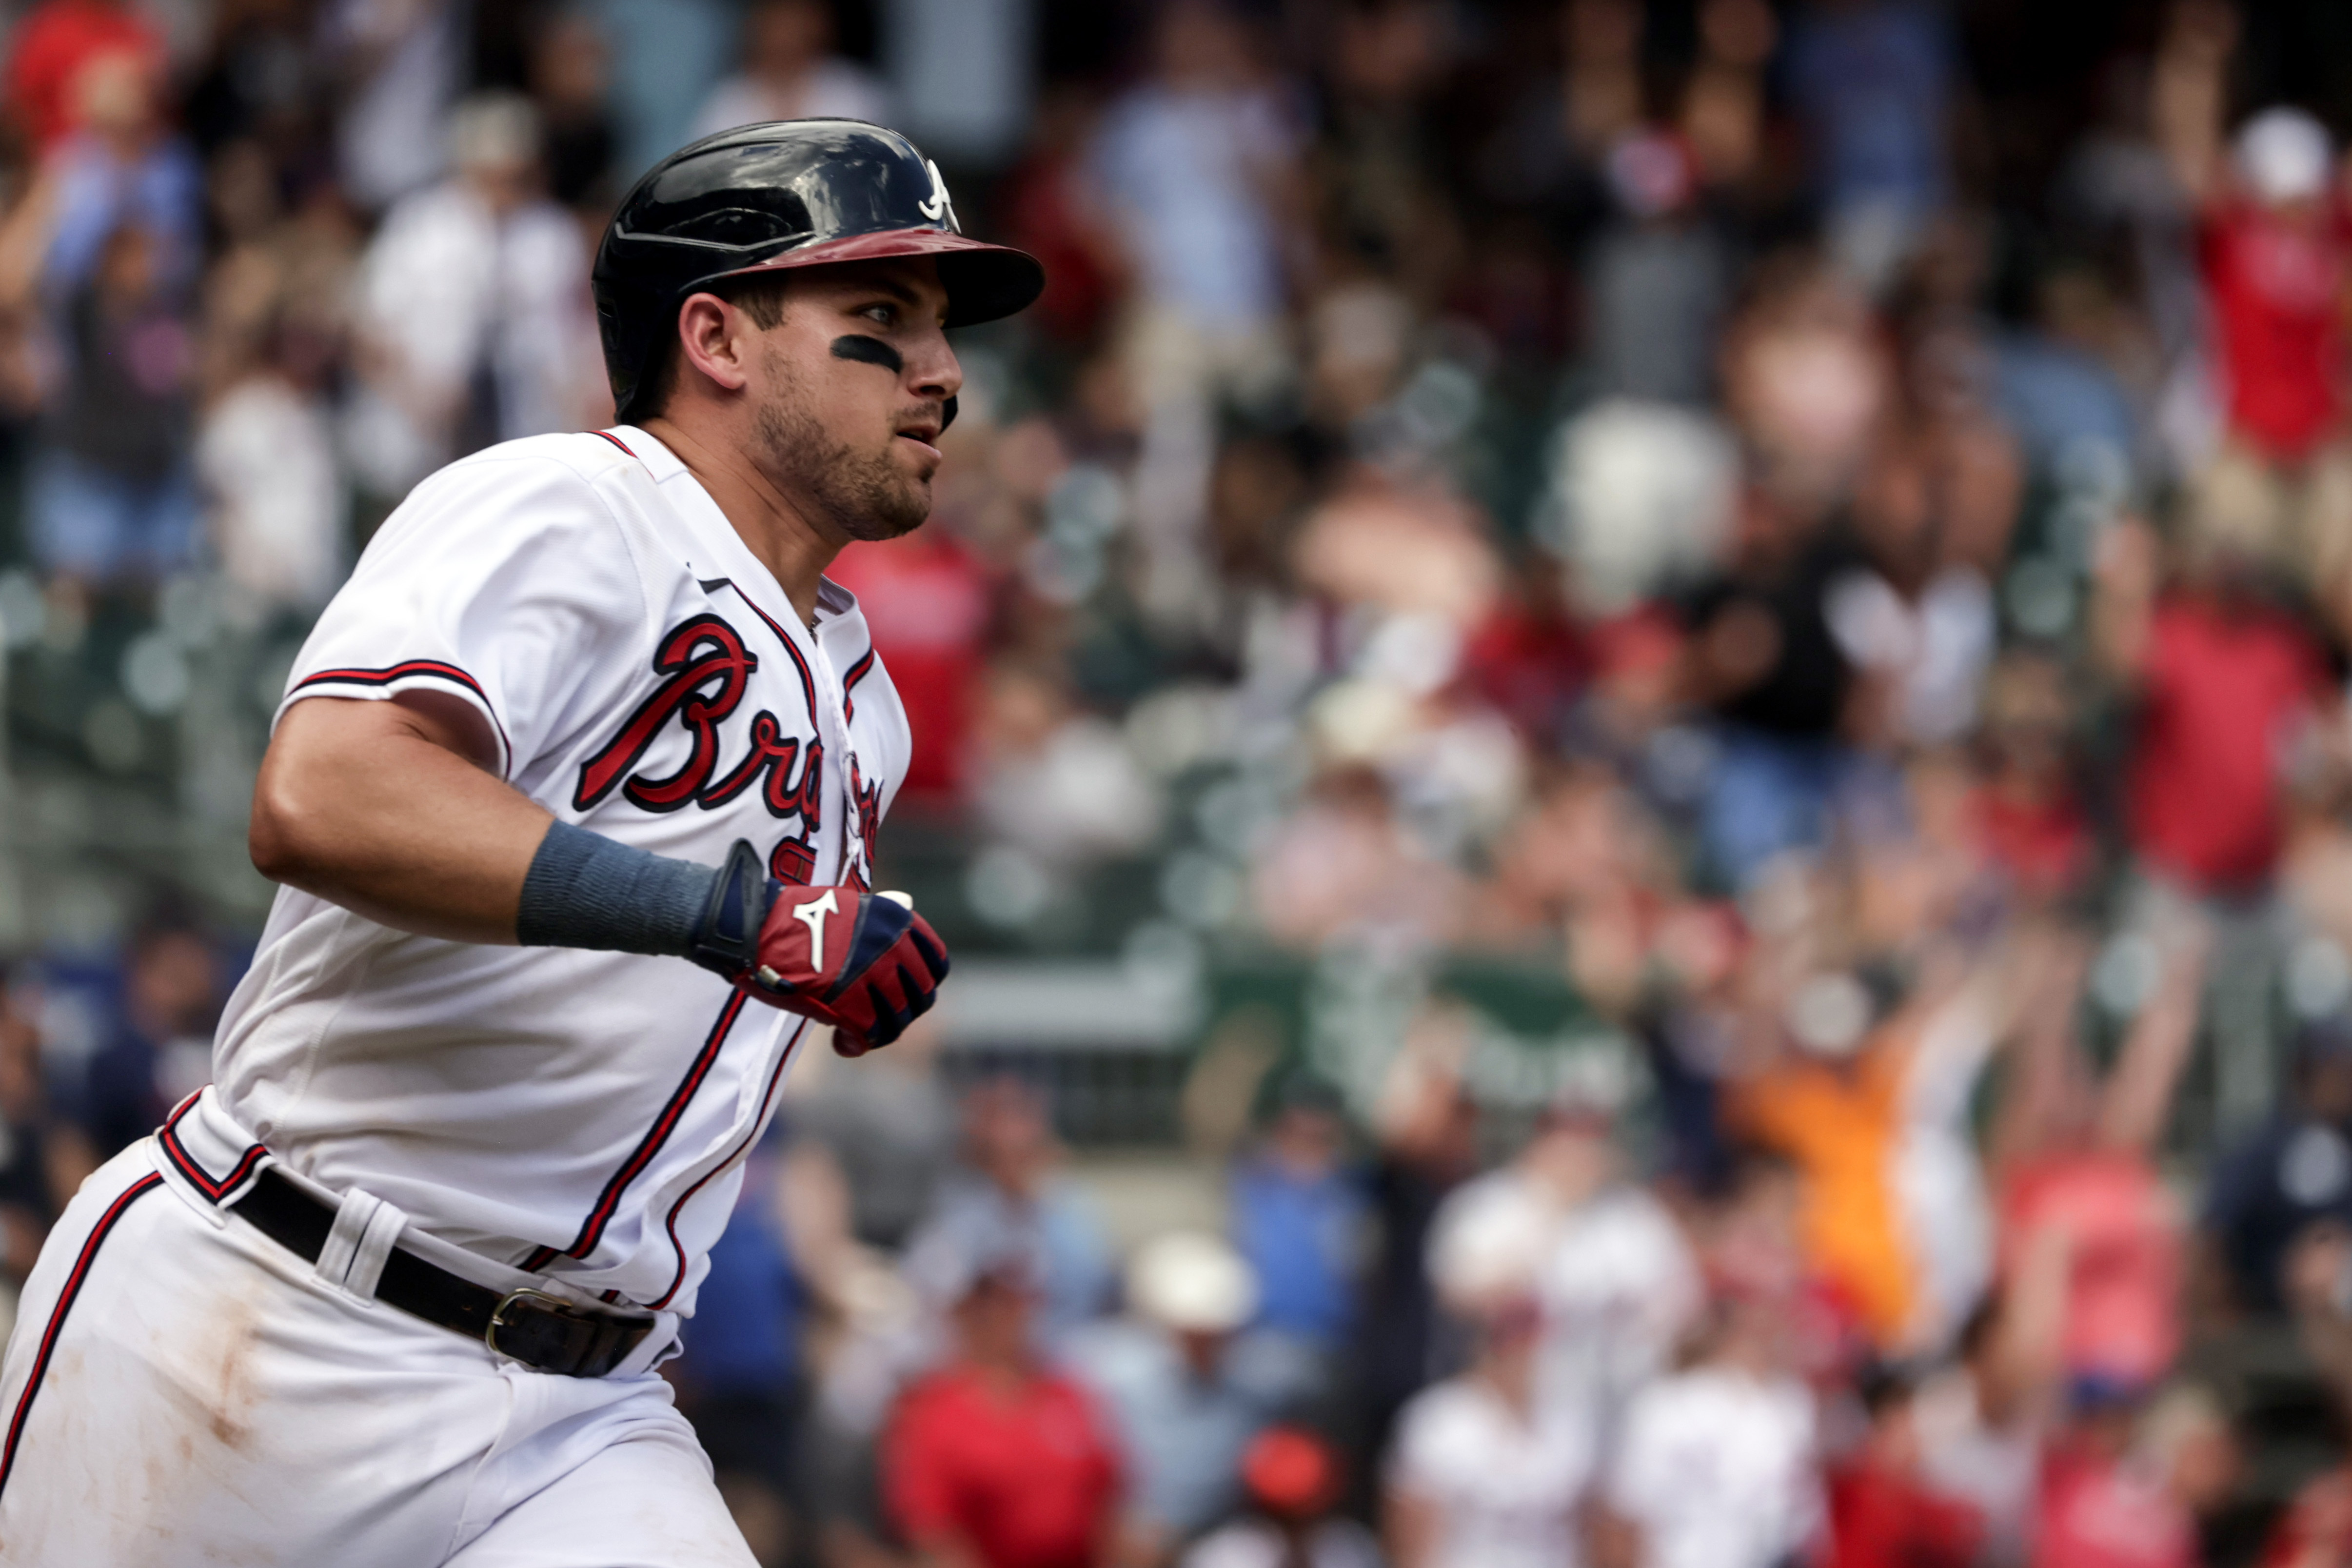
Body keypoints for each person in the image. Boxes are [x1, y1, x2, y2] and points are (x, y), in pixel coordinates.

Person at [0, 119, 1039, 1563]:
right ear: (715, 338)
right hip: (278, 1312)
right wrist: (728, 919)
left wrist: (793, 974)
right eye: (880, 321)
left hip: (582, 1410)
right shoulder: (570, 507)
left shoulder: (862, 702)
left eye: (939, 330)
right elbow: (324, 793)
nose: (941, 371)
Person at [882, 1239, 1127, 1568]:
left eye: (1013, 1298)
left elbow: (1108, 1498)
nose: (1004, 1312)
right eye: (987, 1298)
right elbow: (933, 1533)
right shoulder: (931, 1411)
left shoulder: (1069, 1392)